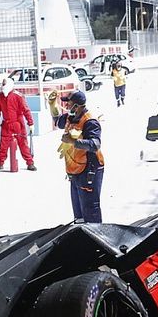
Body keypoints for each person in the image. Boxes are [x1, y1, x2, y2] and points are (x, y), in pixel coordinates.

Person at [58, 91, 104, 222]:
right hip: (75, 170)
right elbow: (58, 121)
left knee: (90, 211)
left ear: (77, 106)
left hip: (90, 170)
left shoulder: (90, 121)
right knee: (78, 215)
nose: (66, 106)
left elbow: (95, 144)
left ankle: (95, 238)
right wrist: (52, 105)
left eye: (69, 103)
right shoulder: (70, 117)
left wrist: (72, 141)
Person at [0, 76, 36, 172]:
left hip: (18, 124)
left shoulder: (18, 96)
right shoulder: (0, 96)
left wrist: (30, 123)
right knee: (3, 145)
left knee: (23, 144)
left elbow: (26, 110)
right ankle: (0, 163)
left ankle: (30, 163)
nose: (3, 86)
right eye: (2, 84)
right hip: (6, 124)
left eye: (4, 84)